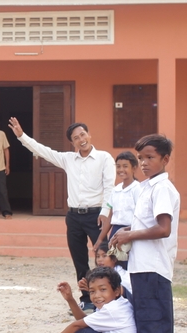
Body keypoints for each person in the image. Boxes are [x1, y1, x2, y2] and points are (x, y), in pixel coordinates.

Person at [7, 118, 114, 312]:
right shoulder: (68, 159)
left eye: (83, 135)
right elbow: (43, 151)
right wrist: (21, 136)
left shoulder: (104, 158)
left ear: (89, 135)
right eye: (76, 138)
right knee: (79, 259)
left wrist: (105, 212)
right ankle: (87, 298)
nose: (81, 139)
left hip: (96, 215)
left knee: (104, 257)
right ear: (72, 143)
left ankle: (111, 296)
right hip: (73, 217)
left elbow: (109, 187)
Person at [110, 134, 180, 333]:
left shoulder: (161, 188)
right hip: (147, 266)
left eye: (150, 157)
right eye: (141, 158)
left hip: (151, 267)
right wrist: (128, 230)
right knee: (158, 323)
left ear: (165, 159)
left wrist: (130, 236)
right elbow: (149, 223)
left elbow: (163, 228)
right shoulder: (149, 187)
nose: (144, 163)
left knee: (150, 325)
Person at [93, 151, 141, 268]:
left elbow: (139, 215)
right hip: (115, 232)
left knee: (130, 264)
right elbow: (111, 216)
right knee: (115, 264)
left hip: (130, 231)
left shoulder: (138, 189)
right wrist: (100, 239)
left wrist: (131, 232)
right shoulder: (116, 190)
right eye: (118, 166)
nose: (121, 170)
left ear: (134, 168)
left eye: (125, 166)